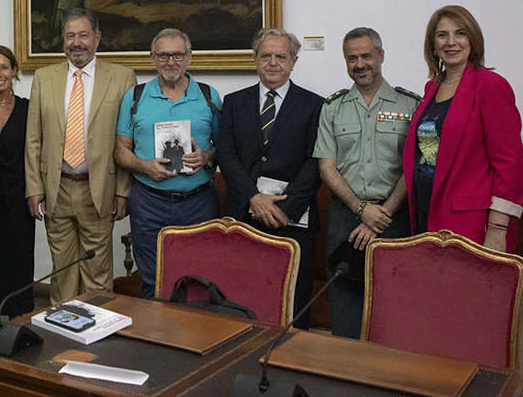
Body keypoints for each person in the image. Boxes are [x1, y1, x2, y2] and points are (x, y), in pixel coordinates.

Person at [313, 27, 419, 338]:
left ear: (381, 56)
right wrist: (362, 210)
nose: (360, 64)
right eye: (352, 58)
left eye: (366, 56)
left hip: (395, 218)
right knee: (345, 301)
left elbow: (412, 168)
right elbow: (327, 168)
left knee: (395, 301)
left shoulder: (411, 105)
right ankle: (345, 376)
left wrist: (379, 216)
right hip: (346, 217)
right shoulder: (333, 107)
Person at [25, 8, 136, 304]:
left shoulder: (122, 78)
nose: (77, 42)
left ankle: (99, 342)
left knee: (97, 274)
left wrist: (123, 192)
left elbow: (127, 141)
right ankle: (62, 339)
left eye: (83, 35)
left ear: (97, 38)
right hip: (56, 188)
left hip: (98, 189)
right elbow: (33, 140)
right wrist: (34, 188)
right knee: (62, 273)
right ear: (63, 40)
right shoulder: (43, 78)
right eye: (70, 35)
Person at [218, 28, 322, 328]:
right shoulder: (234, 102)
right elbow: (227, 155)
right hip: (243, 215)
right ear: (255, 60)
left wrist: (284, 210)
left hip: (292, 218)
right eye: (266, 56)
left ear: (293, 61)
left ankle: (295, 362)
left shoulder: (314, 105)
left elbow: (315, 162)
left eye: (281, 56)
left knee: (293, 300)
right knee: (244, 298)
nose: (273, 62)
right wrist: (254, 197)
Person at [403, 5, 523, 252]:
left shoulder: (490, 85)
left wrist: (497, 228)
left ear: (473, 39)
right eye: (442, 35)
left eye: (460, 33)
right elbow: (428, 153)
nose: (451, 42)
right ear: (433, 45)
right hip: (425, 211)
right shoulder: (431, 88)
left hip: (469, 222)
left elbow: (510, 163)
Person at [114, 28, 221, 299]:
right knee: (152, 279)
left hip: (198, 202)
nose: (170, 61)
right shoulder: (135, 97)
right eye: (163, 55)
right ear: (152, 58)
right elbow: (120, 151)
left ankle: (194, 336)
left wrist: (207, 156)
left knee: (200, 278)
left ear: (189, 57)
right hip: (149, 202)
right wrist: (144, 165)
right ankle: (154, 338)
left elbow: (226, 149)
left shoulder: (209, 96)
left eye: (176, 54)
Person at [0, 45, 35, 317]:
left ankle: (19, 319)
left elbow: (37, 153)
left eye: (4, 67)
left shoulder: (28, 109)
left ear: (14, 71)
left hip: (18, 198)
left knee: (18, 258)